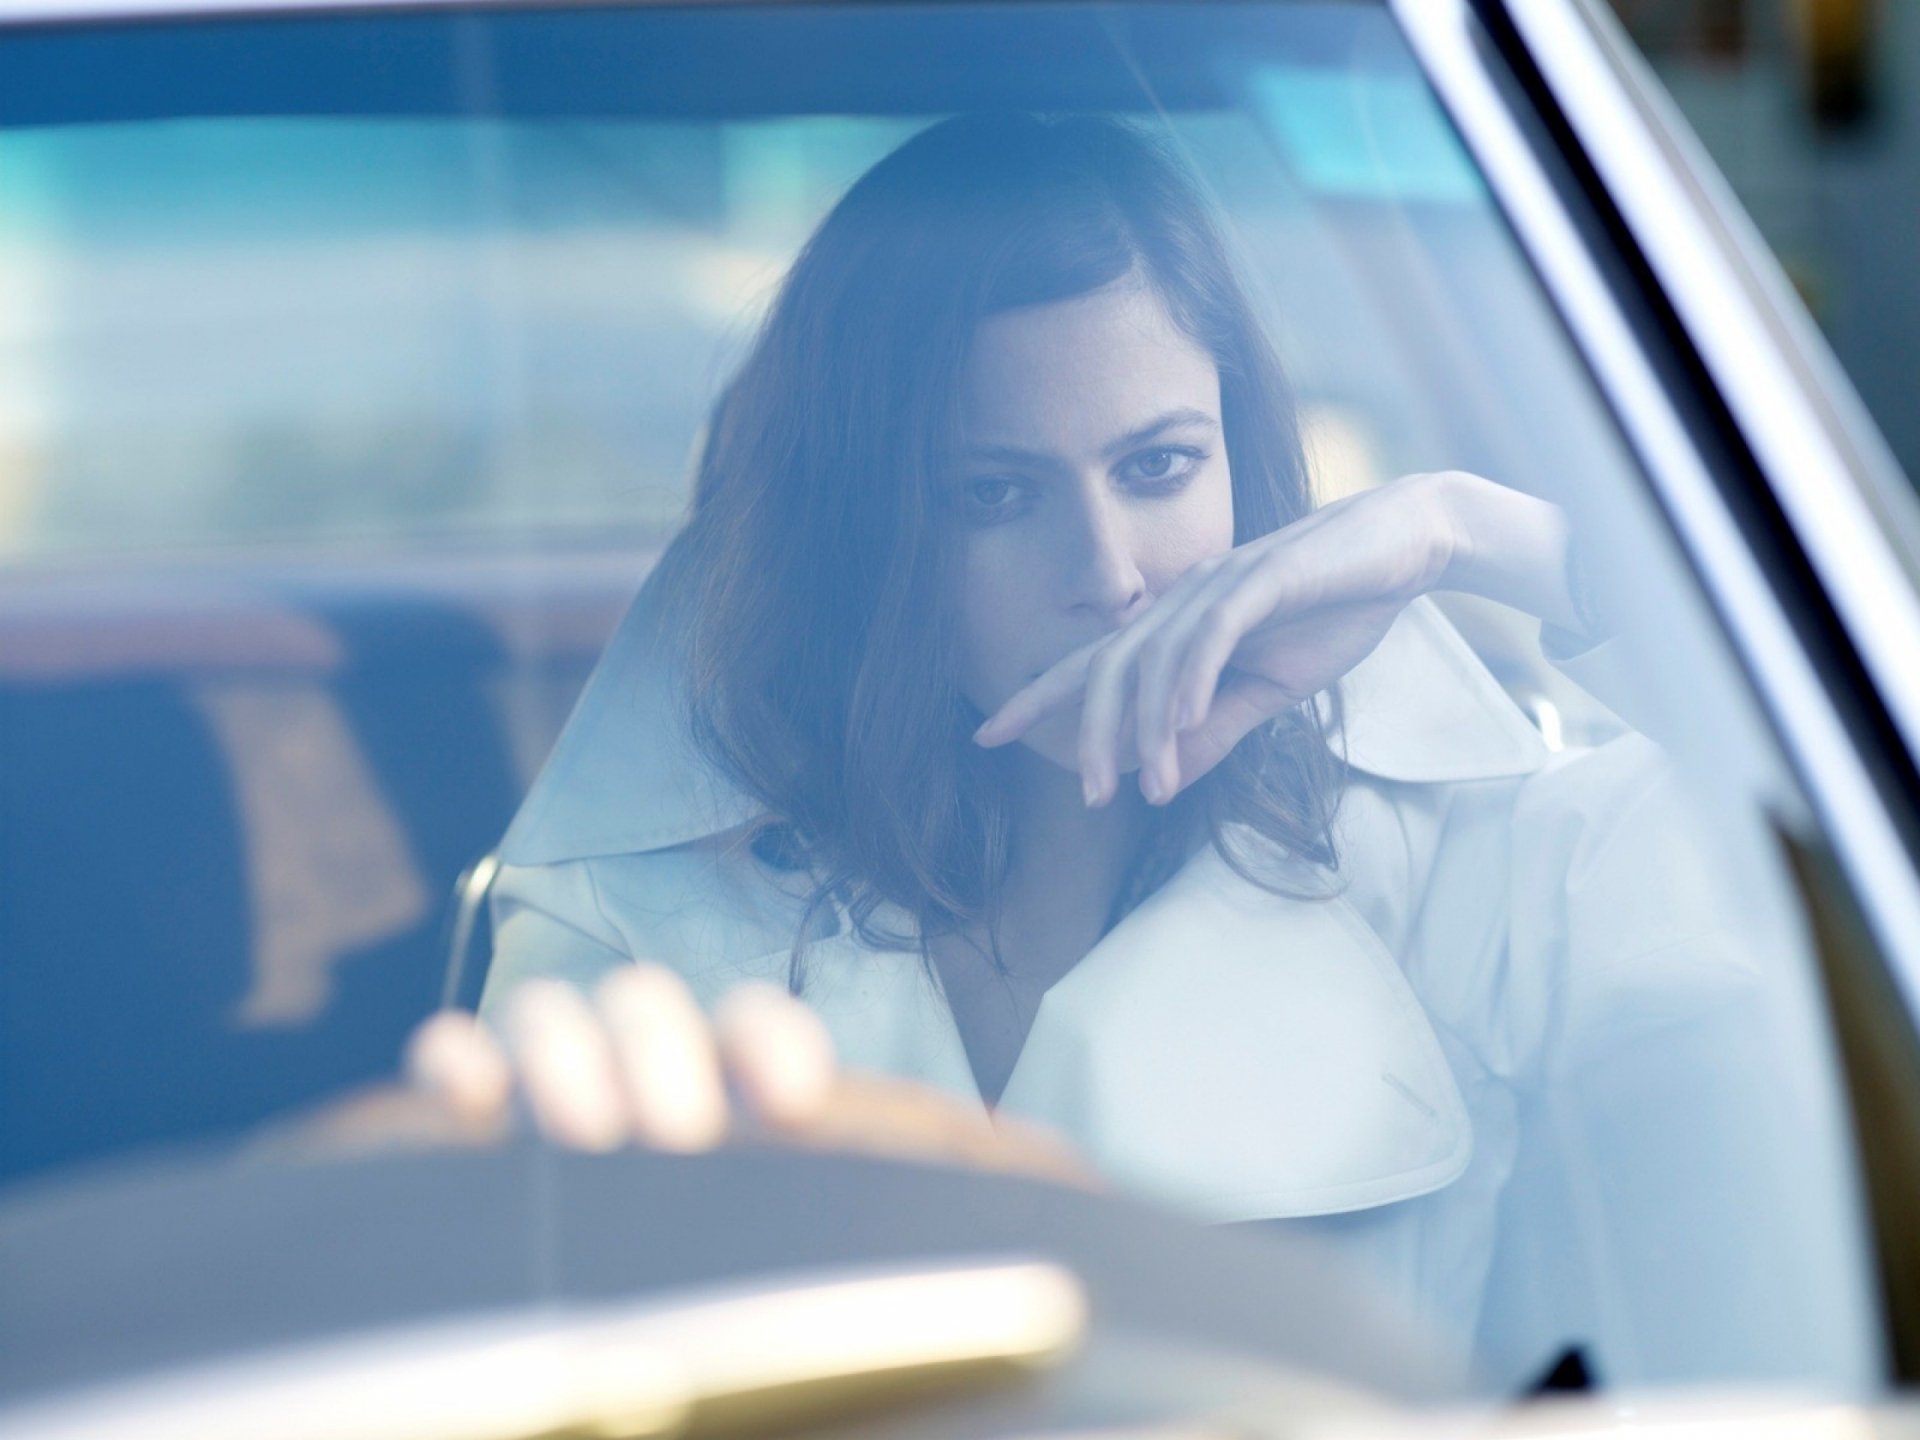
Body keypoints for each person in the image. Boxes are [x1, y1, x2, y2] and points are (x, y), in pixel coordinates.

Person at [400, 114, 1860, 1390]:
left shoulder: (1490, 857)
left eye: (1160, 467)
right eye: (993, 492)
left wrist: (1467, 534)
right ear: (871, 532)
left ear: (1244, 458)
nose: (1108, 572)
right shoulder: (639, 924)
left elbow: (1857, 808)